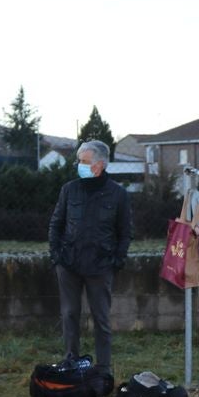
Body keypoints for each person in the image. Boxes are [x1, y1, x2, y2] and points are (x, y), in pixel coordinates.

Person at [48, 139, 132, 378]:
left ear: (100, 164)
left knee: (101, 319)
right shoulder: (69, 189)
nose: (79, 165)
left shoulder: (118, 194)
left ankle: (103, 369)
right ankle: (70, 361)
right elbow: (56, 224)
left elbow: (125, 232)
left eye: (84, 161)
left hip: (101, 267)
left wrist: (117, 261)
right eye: (79, 161)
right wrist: (57, 256)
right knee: (69, 314)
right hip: (69, 265)